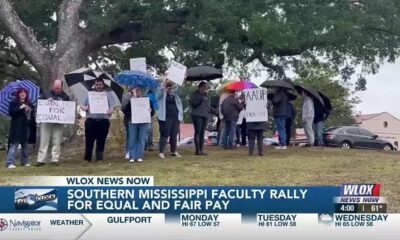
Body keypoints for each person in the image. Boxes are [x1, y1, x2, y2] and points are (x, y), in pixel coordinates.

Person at [80, 79, 116, 162]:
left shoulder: (108, 94)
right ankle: (87, 158)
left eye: (100, 84)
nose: (98, 86)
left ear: (103, 85)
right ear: (94, 85)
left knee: (101, 139)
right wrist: (85, 108)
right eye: (97, 85)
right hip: (91, 120)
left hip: (103, 120)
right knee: (89, 139)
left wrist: (111, 111)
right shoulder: (89, 94)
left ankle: (99, 157)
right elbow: (82, 104)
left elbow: (112, 106)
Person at [36, 79, 70, 166]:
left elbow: (67, 109)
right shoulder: (46, 93)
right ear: (53, 86)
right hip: (46, 121)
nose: (57, 89)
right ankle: (41, 160)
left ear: (62, 87)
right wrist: (46, 101)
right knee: (44, 140)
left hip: (58, 122)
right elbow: (39, 103)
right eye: (55, 88)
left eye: (58, 88)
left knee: (57, 140)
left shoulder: (65, 96)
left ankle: (55, 159)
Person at [6, 88, 35, 168]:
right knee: (14, 144)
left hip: (26, 126)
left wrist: (29, 110)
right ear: (18, 94)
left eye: (24, 92)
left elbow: (32, 115)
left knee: (25, 145)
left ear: (26, 94)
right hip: (17, 127)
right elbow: (11, 113)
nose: (23, 94)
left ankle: (24, 162)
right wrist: (20, 107)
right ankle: (10, 162)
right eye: (21, 92)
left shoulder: (29, 103)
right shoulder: (13, 103)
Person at [156, 79, 183, 159]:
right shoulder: (162, 95)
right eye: (168, 87)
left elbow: (180, 88)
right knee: (165, 134)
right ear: (165, 87)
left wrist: (183, 79)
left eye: (171, 87)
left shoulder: (175, 95)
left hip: (175, 117)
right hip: (165, 117)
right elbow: (160, 91)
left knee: (174, 135)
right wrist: (164, 81)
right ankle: (161, 152)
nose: (170, 89)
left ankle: (174, 151)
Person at [123, 88, 151, 163]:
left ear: (142, 91)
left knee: (141, 139)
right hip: (133, 122)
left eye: (139, 90)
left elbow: (152, 112)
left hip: (144, 122)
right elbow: (125, 111)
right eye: (136, 90)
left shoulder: (147, 100)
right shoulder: (131, 101)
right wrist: (132, 114)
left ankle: (139, 156)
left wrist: (150, 111)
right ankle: (132, 156)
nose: (138, 92)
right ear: (134, 91)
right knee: (132, 139)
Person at [190, 81, 211, 155]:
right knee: (198, 132)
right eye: (204, 87)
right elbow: (193, 104)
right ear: (200, 87)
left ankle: (201, 150)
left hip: (205, 115)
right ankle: (197, 150)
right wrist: (201, 99)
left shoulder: (206, 95)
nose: (206, 88)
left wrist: (213, 111)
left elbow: (208, 106)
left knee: (202, 133)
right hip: (197, 115)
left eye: (206, 87)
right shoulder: (195, 94)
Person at [122, 87, 133, 159]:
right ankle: (128, 151)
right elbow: (123, 108)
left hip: (139, 119)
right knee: (129, 135)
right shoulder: (126, 96)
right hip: (129, 119)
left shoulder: (142, 96)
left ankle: (134, 151)